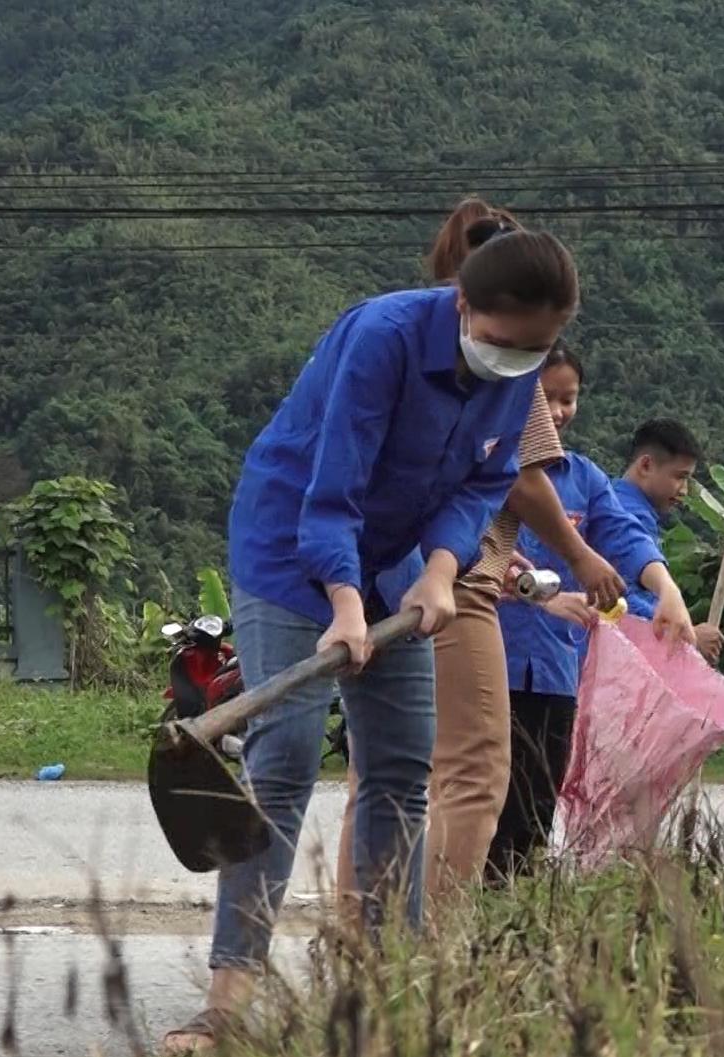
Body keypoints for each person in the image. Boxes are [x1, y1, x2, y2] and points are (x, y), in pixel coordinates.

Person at [163, 227, 579, 1053]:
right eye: (500, 341)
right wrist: (345, 604)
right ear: (463, 303)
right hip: (290, 550)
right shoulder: (383, 338)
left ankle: (390, 989)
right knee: (280, 765)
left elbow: (483, 481)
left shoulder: (519, 369)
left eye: (534, 348)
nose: (514, 360)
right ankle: (227, 1002)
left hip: (395, 558)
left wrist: (437, 571)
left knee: (399, 769)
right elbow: (332, 486)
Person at [332, 199, 643, 917]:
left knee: (383, 769)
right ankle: (430, 946)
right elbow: (525, 478)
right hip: (451, 574)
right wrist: (581, 555)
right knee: (472, 770)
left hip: (388, 564)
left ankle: (362, 937)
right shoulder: (506, 364)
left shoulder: (414, 342)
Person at [488, 347, 698, 879]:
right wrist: (537, 595)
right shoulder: (487, 468)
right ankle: (472, 895)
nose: (558, 411)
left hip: (558, 668)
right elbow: (470, 552)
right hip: (491, 656)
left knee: (539, 793)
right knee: (487, 789)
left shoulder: (584, 477)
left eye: (568, 399)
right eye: (547, 397)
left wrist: (665, 587)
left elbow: (623, 537)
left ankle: (515, 905)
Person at [613, 418, 724, 662]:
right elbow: (617, 598)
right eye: (679, 477)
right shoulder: (625, 516)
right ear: (645, 465)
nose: (683, 490)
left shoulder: (620, 505)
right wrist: (686, 635)